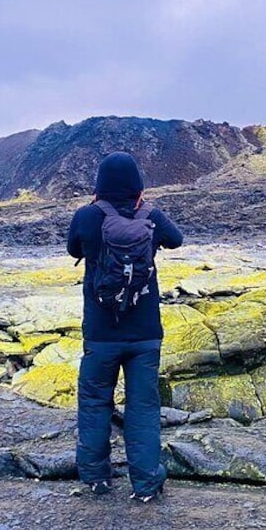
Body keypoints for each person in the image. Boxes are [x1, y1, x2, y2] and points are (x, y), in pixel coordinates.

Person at [66, 151, 184, 502]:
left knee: (94, 402)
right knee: (143, 408)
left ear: (99, 185)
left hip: (101, 334)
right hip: (146, 334)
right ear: (137, 186)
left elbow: (73, 248)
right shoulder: (151, 216)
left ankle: (96, 479)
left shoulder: (88, 216)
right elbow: (176, 239)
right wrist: (145, 212)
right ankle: (146, 484)